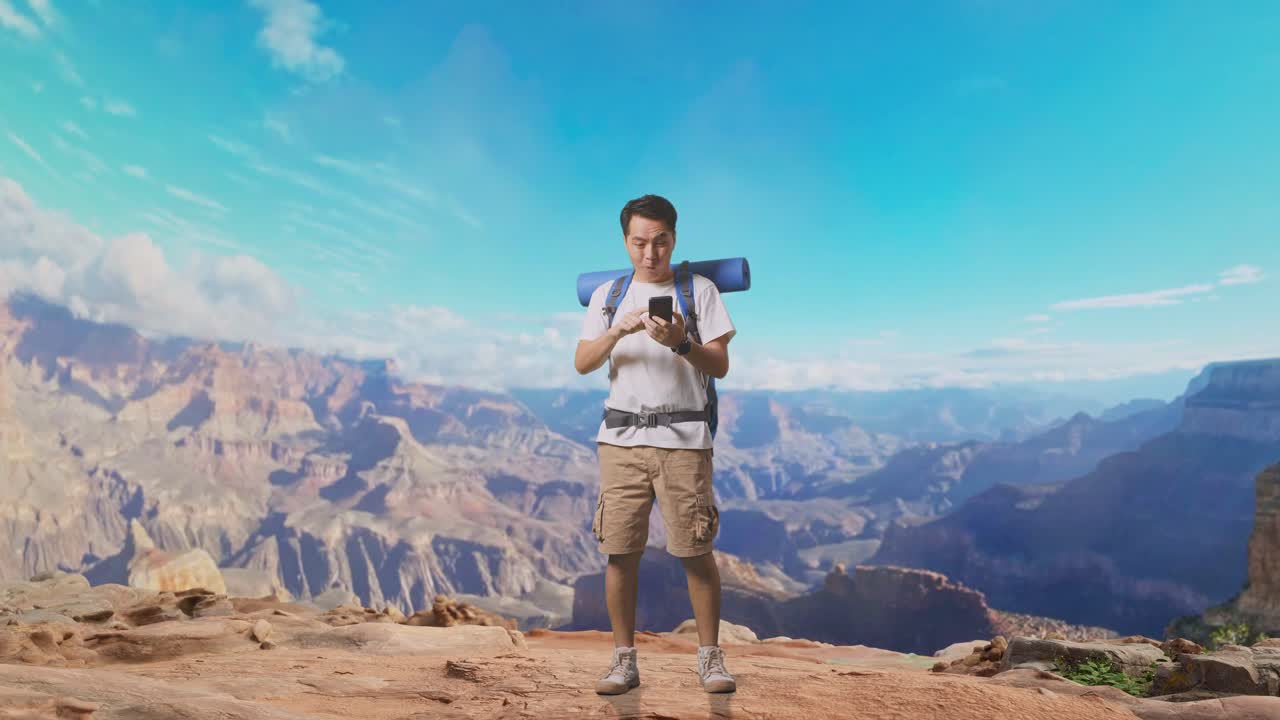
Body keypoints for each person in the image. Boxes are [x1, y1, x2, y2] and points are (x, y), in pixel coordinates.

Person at [574, 194, 737, 695]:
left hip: (684, 442)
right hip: (620, 441)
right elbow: (583, 362)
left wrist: (681, 343)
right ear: (626, 241)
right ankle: (624, 663)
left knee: (695, 550)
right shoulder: (607, 296)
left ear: (674, 238)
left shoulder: (699, 291)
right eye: (640, 242)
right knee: (620, 552)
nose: (650, 253)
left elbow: (719, 365)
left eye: (661, 241)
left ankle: (710, 660)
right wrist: (617, 331)